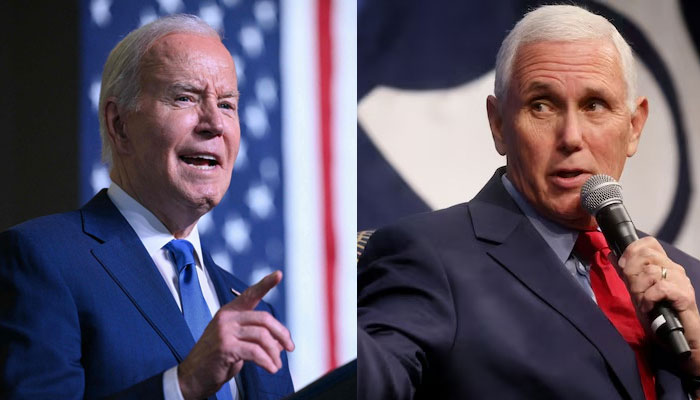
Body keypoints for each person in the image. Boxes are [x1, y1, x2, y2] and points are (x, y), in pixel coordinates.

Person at [358, 5, 700, 399]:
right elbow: (373, 381)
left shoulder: (685, 282)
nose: (571, 136)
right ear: (499, 125)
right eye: (542, 105)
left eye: (594, 105)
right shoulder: (428, 259)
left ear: (634, 126)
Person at [0, 14, 294, 399]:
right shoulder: (42, 261)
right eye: (185, 97)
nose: (214, 124)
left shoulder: (252, 314)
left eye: (226, 104)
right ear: (119, 124)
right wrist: (181, 386)